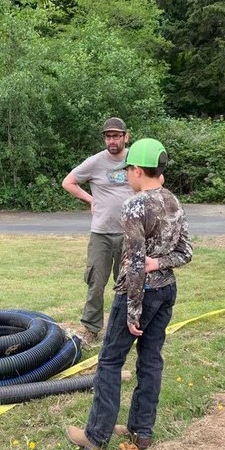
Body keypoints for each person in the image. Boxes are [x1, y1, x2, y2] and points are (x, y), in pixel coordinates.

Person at [66, 138, 192, 450]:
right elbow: (186, 252)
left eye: (128, 172)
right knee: (150, 361)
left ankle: (95, 438)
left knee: (109, 361)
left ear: (137, 170)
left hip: (139, 294)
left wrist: (133, 311)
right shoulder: (173, 201)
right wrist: (160, 263)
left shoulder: (135, 205)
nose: (127, 178)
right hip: (166, 292)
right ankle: (141, 432)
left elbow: (135, 262)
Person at [62, 117, 133, 345]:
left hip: (130, 234)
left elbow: (156, 180)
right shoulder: (95, 162)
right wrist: (90, 199)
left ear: (125, 136)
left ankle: (129, 326)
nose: (112, 140)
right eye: (108, 136)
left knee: (130, 282)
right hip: (101, 233)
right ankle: (92, 329)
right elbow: (68, 182)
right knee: (96, 283)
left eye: (116, 136)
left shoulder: (136, 159)